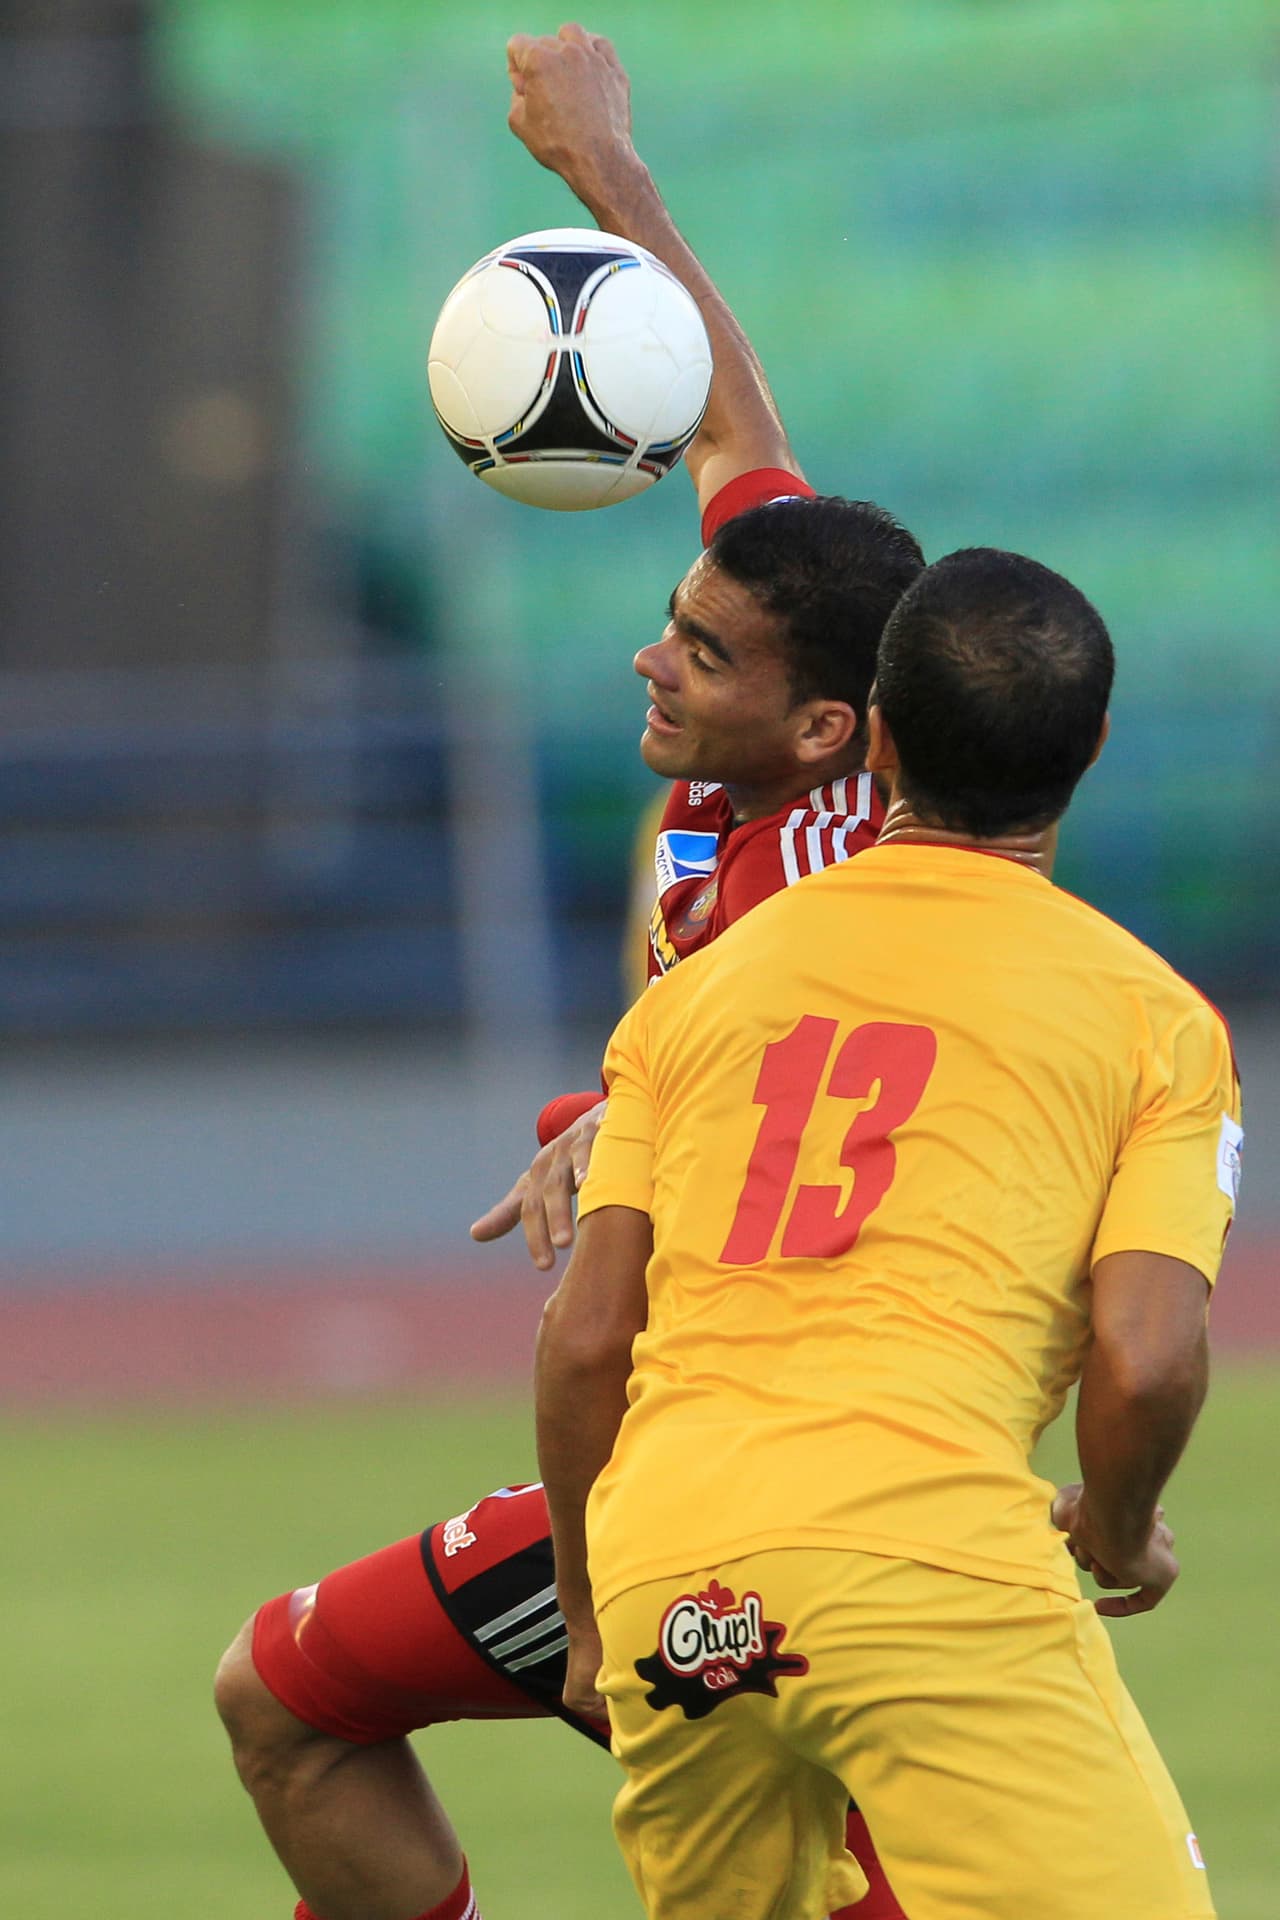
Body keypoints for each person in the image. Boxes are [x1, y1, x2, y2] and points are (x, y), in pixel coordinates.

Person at [214, 26, 921, 1920]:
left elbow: (594, 1329)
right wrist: (609, 178)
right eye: (671, 621)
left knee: (819, 1855)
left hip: (722, 1525)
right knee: (284, 1698)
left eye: (700, 651)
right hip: (755, 1494)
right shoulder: (822, 725)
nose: (651, 660)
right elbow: (737, 441)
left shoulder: (833, 921)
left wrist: (619, 1142)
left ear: (826, 727)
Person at [535, 545, 1241, 1919]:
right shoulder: (1153, 1019)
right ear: (1092, 748)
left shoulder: (691, 999)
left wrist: (582, 1619)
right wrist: (1116, 1528)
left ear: (886, 738)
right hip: (925, 1567)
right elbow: (1147, 1359)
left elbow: (585, 1341)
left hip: (672, 1581)